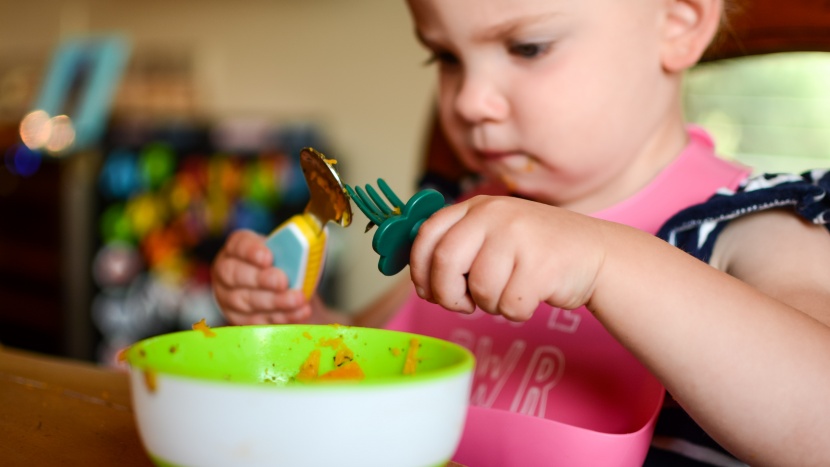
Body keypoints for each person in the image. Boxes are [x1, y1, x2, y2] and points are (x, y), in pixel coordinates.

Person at [211, 0, 830, 465]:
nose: (470, 101)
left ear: (678, 20)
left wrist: (605, 261)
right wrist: (292, 330)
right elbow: (367, 369)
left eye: (527, 47)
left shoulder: (746, 223)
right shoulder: (455, 222)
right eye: (447, 58)